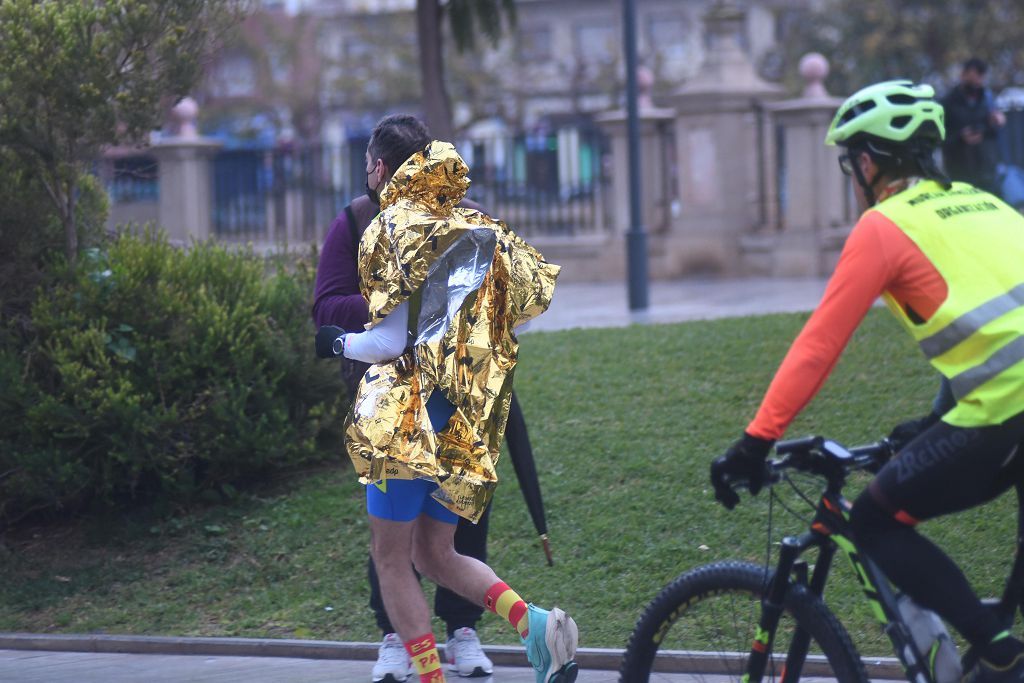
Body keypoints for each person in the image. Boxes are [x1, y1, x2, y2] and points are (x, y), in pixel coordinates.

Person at [710, 80, 1024, 683]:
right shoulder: (987, 205)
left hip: (1003, 410)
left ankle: (999, 648)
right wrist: (937, 420)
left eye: (850, 162)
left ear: (866, 161)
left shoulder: (884, 227)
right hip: (999, 406)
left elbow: (818, 345)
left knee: (876, 521)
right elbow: (993, 326)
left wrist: (754, 443)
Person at [315, 130, 577, 683]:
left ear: (383, 170)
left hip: (404, 417)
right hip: (468, 413)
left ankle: (431, 675)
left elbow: (387, 341)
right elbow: (518, 306)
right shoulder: (472, 225)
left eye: (368, 164)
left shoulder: (393, 229)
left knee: (391, 558)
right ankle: (535, 625)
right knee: (436, 553)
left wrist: (338, 342)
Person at [314, 114, 498, 681]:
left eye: (371, 162)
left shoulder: (439, 227)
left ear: (379, 167)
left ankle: (454, 638)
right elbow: (327, 304)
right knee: (411, 542)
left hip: (432, 400)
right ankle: (400, 637)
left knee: (429, 535)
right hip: (423, 399)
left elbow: (482, 312)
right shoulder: (362, 223)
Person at [941, 57, 1006, 196]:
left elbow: (994, 132)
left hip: (987, 169)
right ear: (963, 75)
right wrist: (961, 137)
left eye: (980, 78)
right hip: (960, 170)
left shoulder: (987, 99)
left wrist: (997, 122)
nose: (976, 83)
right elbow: (941, 137)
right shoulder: (948, 102)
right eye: (973, 77)